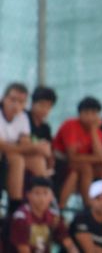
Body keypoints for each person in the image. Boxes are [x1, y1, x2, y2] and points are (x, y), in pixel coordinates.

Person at [53, 97, 102, 209]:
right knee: (86, 169)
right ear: (80, 114)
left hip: (85, 162)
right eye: (87, 113)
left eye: (94, 113)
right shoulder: (71, 125)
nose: (90, 117)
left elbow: (99, 154)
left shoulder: (98, 131)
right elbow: (72, 157)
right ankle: (89, 206)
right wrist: (100, 159)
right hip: (62, 162)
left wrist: (93, 131)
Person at [0, 83, 49, 217]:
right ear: (3, 98)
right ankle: (14, 208)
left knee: (38, 161)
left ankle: (41, 204)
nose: (16, 105)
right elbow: (2, 146)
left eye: (21, 101)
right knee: (17, 160)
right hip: (5, 154)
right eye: (12, 99)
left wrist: (38, 148)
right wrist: (33, 146)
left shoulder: (22, 117)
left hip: (12, 153)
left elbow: (25, 143)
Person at [10, 177, 78, 253]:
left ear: (51, 196)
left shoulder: (54, 217)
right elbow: (23, 249)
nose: (41, 198)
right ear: (28, 195)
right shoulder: (21, 218)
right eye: (37, 193)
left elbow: (68, 243)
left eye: (45, 193)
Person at [26, 86, 58, 172]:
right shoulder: (24, 119)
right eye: (42, 105)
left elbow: (50, 149)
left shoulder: (45, 128)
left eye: (48, 107)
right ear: (33, 103)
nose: (45, 109)